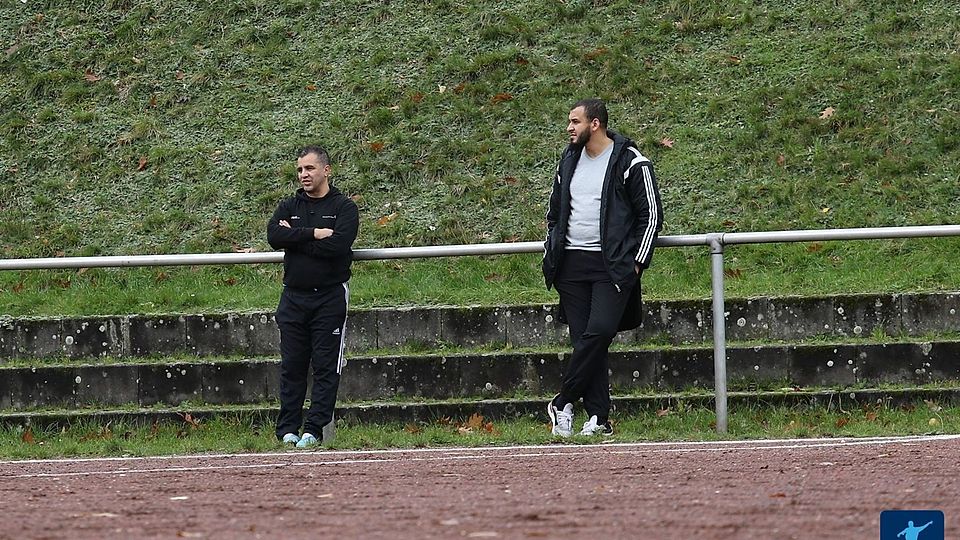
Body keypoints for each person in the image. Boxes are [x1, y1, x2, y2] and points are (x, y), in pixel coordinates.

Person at [542, 98, 663, 437]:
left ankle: (562, 401)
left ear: (595, 124)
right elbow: (553, 214)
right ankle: (599, 418)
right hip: (571, 267)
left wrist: (636, 264)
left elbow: (651, 214)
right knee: (584, 340)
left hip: (612, 267)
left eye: (575, 121)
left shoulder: (630, 161)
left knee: (600, 333)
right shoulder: (568, 161)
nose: (569, 128)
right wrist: (551, 251)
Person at [267, 145, 359, 448]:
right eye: (299, 170)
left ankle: (314, 429)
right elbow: (273, 236)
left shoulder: (344, 207)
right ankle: (287, 430)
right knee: (292, 365)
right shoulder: (289, 205)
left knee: (325, 365)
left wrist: (296, 237)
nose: (303, 175)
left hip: (329, 297)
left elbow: (338, 247)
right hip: (293, 297)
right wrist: (314, 233)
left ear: (326, 170)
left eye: (309, 169)